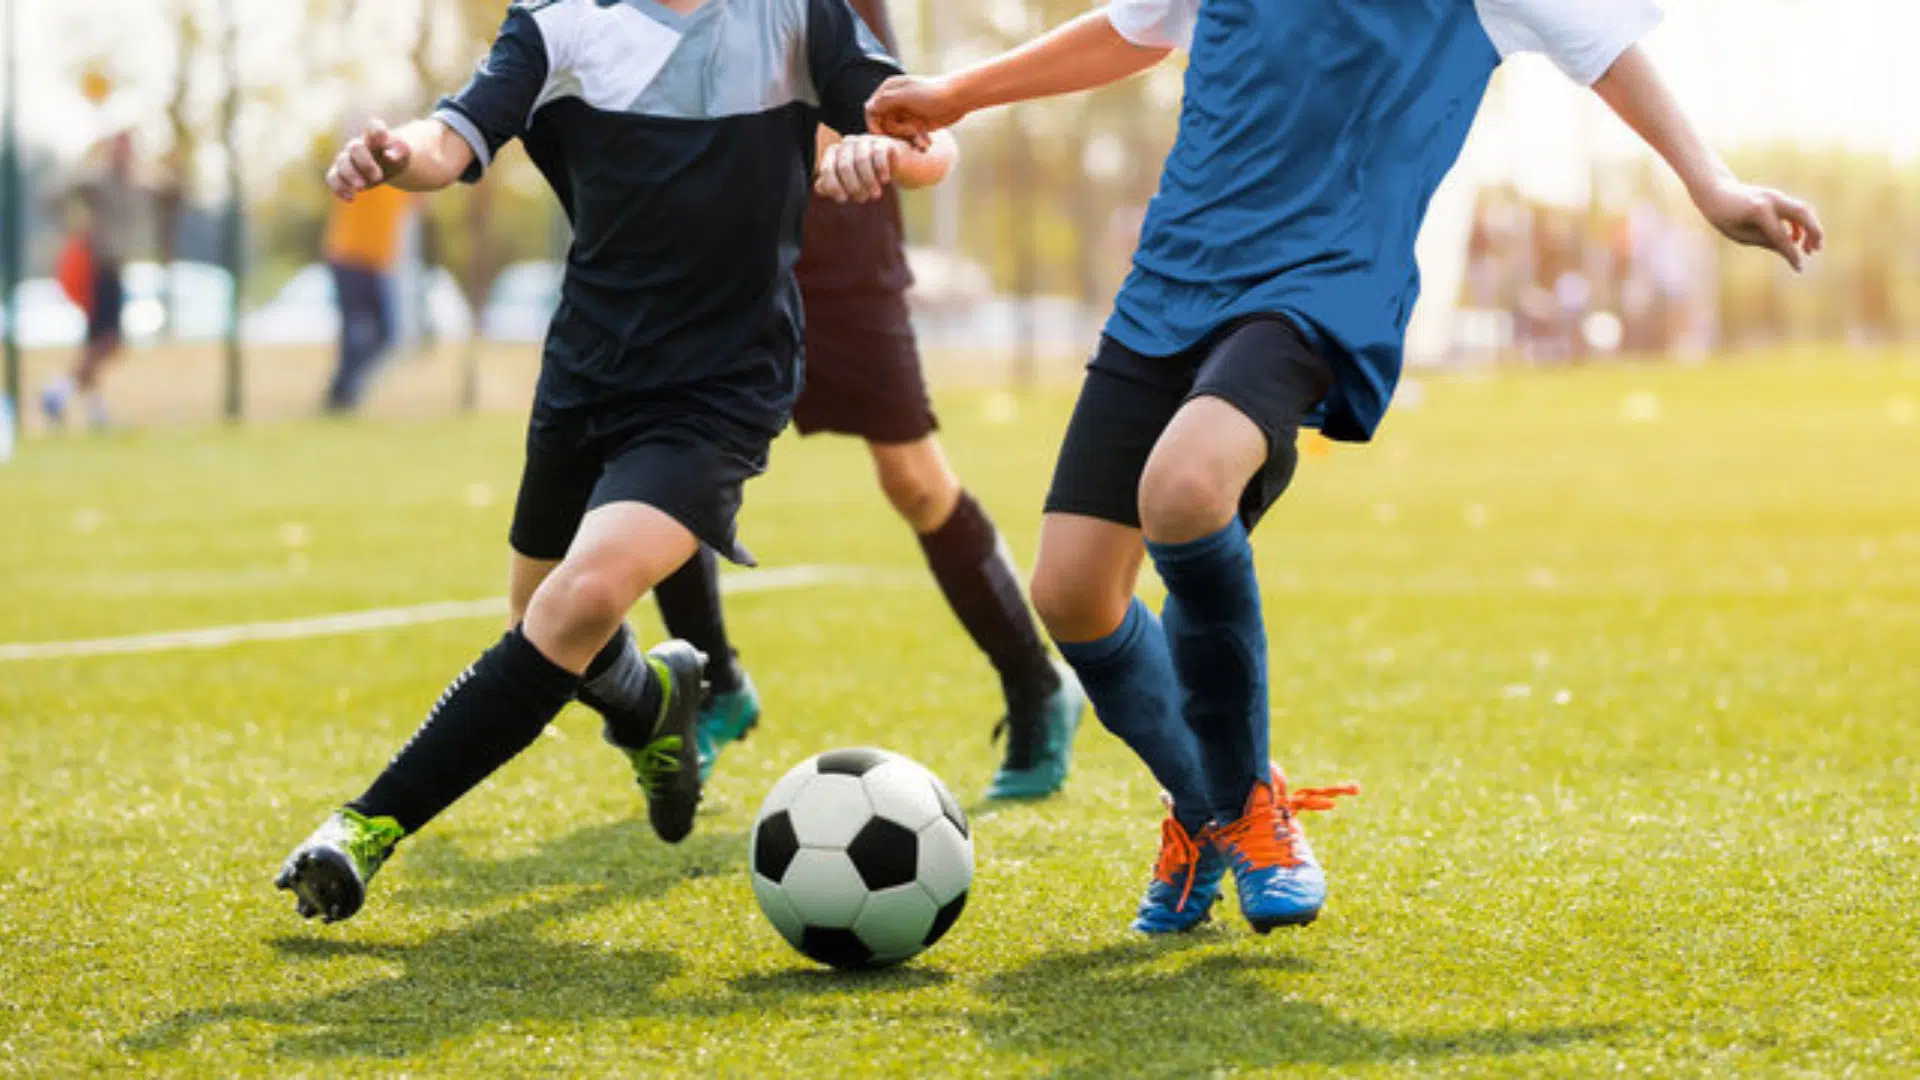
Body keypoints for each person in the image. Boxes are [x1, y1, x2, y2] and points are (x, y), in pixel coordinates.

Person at [861, 0, 1821, 935]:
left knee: (1187, 490)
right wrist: (959, 93)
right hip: (1174, 278)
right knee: (1071, 593)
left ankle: (1246, 816)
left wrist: (1712, 185)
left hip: (1321, 284)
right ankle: (1214, 802)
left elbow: (1609, 48)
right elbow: (1135, 28)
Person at [276, 0, 955, 924]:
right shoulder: (558, 21)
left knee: (577, 602)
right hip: (587, 372)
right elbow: (453, 137)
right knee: (543, 619)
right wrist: (398, 156)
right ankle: (652, 704)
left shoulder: (797, 15)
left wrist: (882, 151)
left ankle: (361, 829)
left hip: (724, 383)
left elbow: (929, 142)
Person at [653, 0, 1084, 802]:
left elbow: (895, 112)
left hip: (845, 247)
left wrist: (856, 142)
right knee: (673, 464)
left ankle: (1036, 681)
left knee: (914, 481)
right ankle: (716, 683)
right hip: (723, 256)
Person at [41, 131, 142, 431]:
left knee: (96, 346)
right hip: (98, 272)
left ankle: (92, 410)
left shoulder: (134, 184)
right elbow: (55, 195)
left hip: (116, 270)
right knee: (108, 343)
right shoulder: (96, 182)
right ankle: (57, 394)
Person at [320, 163, 412, 413]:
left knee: (385, 334)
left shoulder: (404, 182)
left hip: (377, 264)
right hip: (350, 257)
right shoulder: (368, 173)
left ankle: (345, 392)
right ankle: (342, 395)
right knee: (357, 330)